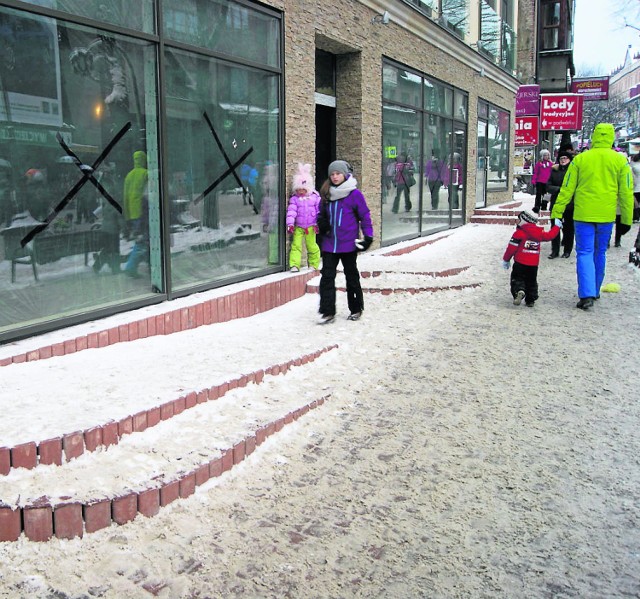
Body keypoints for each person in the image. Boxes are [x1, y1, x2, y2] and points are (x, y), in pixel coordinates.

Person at [551, 123, 634, 310]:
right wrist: (626, 220)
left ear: (594, 136)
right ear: (611, 137)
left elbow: (567, 188)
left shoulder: (580, 160)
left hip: (583, 214)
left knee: (584, 253)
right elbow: (626, 193)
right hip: (606, 215)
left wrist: (557, 212)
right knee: (600, 252)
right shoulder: (620, 161)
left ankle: (586, 294)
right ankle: (595, 289)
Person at [316, 160, 373, 324]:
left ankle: (356, 308)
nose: (335, 177)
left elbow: (365, 216)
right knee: (327, 277)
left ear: (345, 174)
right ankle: (328, 311)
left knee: (351, 276)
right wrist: (322, 224)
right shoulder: (326, 193)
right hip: (329, 243)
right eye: (332, 174)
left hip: (348, 243)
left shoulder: (354, 194)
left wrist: (367, 237)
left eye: (338, 174)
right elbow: (320, 214)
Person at [502, 209, 561, 308]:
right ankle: (530, 300)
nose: (518, 221)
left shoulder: (519, 233)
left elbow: (511, 248)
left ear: (524, 220)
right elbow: (550, 236)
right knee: (532, 281)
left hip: (520, 262)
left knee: (517, 279)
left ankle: (519, 291)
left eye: (519, 219)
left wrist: (506, 259)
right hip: (533, 265)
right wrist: (557, 226)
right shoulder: (539, 233)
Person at [286, 163, 321, 272]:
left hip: (311, 226)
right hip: (298, 226)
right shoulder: (294, 199)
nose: (300, 192)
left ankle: (313, 264)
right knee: (296, 245)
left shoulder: (315, 198)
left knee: (312, 245)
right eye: (298, 189)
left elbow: (319, 211)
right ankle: (295, 264)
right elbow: (291, 212)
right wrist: (290, 224)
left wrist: (318, 223)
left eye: (303, 189)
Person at [546, 149, 574, 259]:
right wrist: (560, 190)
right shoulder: (554, 171)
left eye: (565, 158)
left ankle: (567, 250)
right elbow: (548, 186)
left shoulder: (573, 171)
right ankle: (555, 251)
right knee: (555, 228)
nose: (563, 160)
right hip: (556, 203)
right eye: (561, 158)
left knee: (568, 229)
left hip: (569, 204)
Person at [123, 150, 148, 240]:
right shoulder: (146, 173)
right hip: (143, 211)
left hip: (132, 213)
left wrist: (127, 215)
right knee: (143, 240)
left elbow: (125, 197)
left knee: (139, 238)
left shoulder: (129, 175)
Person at [531, 149, 553, 213]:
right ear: (542, 156)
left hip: (547, 182)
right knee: (538, 194)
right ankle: (537, 206)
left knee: (546, 195)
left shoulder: (551, 164)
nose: (546, 156)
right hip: (539, 181)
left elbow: (552, 173)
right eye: (545, 155)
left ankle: (544, 205)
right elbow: (535, 173)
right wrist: (533, 181)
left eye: (547, 155)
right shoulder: (539, 164)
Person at [630, 152, 640, 223]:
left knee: (635, 203)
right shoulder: (635, 166)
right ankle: (636, 216)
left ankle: (635, 217)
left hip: (635, 187)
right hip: (636, 186)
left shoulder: (632, 165)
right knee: (636, 203)